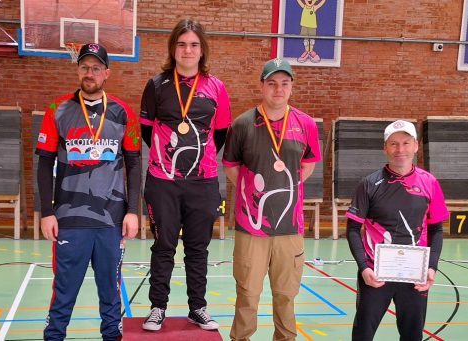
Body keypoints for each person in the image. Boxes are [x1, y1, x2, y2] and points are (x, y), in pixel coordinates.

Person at [36, 43, 141, 341]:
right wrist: (46, 212)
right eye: (85, 67)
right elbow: (44, 164)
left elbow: (134, 164)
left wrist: (133, 210)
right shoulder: (58, 110)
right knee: (64, 293)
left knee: (110, 293)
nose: (90, 73)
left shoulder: (123, 113)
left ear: (106, 72)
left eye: (96, 68)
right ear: (78, 69)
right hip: (69, 219)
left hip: (111, 220)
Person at [139, 19, 232, 331]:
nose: (188, 50)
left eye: (193, 44)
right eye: (182, 44)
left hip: (203, 182)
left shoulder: (216, 88)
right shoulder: (155, 86)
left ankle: (198, 307)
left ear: (202, 49)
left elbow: (219, 135)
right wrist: (171, 166)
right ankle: (157, 307)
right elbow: (145, 132)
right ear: (173, 49)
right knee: (163, 246)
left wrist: (196, 164)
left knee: (197, 248)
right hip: (162, 181)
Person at [223, 58, 322, 341]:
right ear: (262, 86)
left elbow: (308, 164)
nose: (278, 89)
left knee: (285, 296)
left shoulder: (306, 124)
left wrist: (284, 186)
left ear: (291, 88)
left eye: (284, 84)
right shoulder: (242, 124)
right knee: (247, 295)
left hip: (290, 228)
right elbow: (230, 167)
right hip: (251, 228)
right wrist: (254, 193)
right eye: (272, 83)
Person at [345, 120, 449, 341]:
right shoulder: (368, 184)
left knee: (412, 335)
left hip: (415, 276)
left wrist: (431, 268)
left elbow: (436, 229)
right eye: (393, 144)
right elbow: (353, 229)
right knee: (362, 334)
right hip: (375, 274)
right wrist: (364, 268)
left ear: (416, 146)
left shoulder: (429, 183)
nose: (400, 149)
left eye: (405, 143)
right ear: (385, 148)